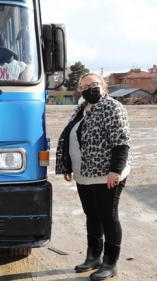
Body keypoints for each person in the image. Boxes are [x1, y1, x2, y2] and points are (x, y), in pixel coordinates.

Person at [55, 73, 131, 281]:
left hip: (106, 174)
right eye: (86, 86)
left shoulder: (112, 107)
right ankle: (93, 257)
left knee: (108, 217)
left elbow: (121, 141)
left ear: (104, 87)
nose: (91, 88)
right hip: (84, 174)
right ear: (80, 90)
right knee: (92, 216)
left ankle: (110, 263)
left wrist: (115, 170)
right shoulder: (80, 109)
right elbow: (72, 137)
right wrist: (68, 166)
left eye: (95, 84)